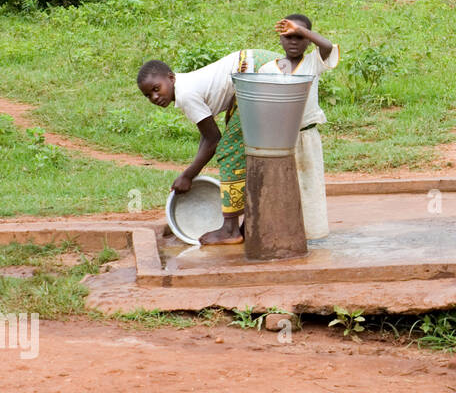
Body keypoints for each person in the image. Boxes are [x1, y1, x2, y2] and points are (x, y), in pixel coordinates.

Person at [136, 49, 277, 244]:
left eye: (156, 88)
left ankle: (230, 230)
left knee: (228, 150)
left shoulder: (185, 94)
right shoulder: (185, 87)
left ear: (170, 78)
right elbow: (207, 135)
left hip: (259, 72)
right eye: (148, 95)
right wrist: (189, 172)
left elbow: (214, 140)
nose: (154, 97)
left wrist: (188, 175)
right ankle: (250, 224)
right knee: (243, 148)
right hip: (257, 71)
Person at [258, 15, 338, 240]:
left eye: (300, 37)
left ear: (309, 40)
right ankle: (281, 233)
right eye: (288, 37)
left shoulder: (313, 63)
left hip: (306, 137)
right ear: (280, 40)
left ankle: (313, 233)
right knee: (278, 186)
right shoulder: (267, 70)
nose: (294, 42)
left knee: (310, 185)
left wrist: (303, 31)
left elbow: (328, 46)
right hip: (278, 139)